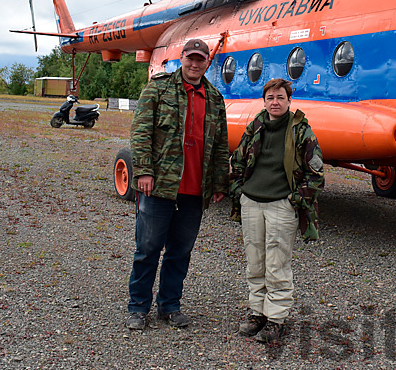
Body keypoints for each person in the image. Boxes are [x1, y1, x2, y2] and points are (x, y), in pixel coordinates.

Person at [126, 38, 229, 330]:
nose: (195, 64)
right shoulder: (158, 89)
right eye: (190, 58)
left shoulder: (214, 98)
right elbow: (141, 132)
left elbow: (221, 145)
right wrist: (143, 171)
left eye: (201, 59)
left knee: (180, 253)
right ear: (181, 58)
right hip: (159, 187)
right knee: (147, 248)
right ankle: (138, 307)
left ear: (207, 63)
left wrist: (220, 182)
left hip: (194, 191)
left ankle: (169, 305)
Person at [230, 78, 324, 344]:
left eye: (280, 97)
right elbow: (237, 159)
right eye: (270, 97)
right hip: (252, 202)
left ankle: (276, 319)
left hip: (281, 204)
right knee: (255, 260)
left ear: (289, 100)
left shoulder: (302, 131)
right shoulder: (255, 127)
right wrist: (239, 190)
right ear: (264, 101)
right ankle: (257, 312)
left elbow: (316, 173)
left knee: (277, 262)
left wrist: (296, 198)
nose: (275, 102)